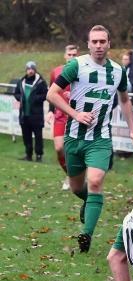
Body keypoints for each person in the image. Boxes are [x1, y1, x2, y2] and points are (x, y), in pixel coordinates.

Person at [46, 24, 133, 253]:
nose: (99, 45)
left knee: (96, 181)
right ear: (88, 44)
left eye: (103, 41)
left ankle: (86, 236)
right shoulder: (76, 65)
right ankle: (88, 202)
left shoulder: (118, 71)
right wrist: (76, 114)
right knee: (76, 186)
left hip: (100, 138)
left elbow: (125, 100)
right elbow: (52, 94)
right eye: (94, 42)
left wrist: (132, 130)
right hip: (73, 137)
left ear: (109, 44)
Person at [46, 45, 79, 189]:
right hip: (60, 116)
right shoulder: (56, 72)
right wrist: (50, 111)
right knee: (59, 148)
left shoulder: (83, 71)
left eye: (74, 54)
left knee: (74, 150)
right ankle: (70, 175)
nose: (72, 57)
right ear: (65, 56)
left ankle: (75, 177)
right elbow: (52, 93)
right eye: (69, 55)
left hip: (77, 116)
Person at [13, 61, 48, 162]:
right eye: (28, 69)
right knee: (26, 136)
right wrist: (21, 98)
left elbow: (46, 94)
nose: (30, 71)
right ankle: (28, 155)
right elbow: (16, 93)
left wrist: (35, 98)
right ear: (26, 70)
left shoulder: (41, 82)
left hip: (36, 115)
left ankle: (39, 155)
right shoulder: (21, 81)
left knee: (38, 137)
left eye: (32, 69)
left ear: (35, 70)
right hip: (24, 114)